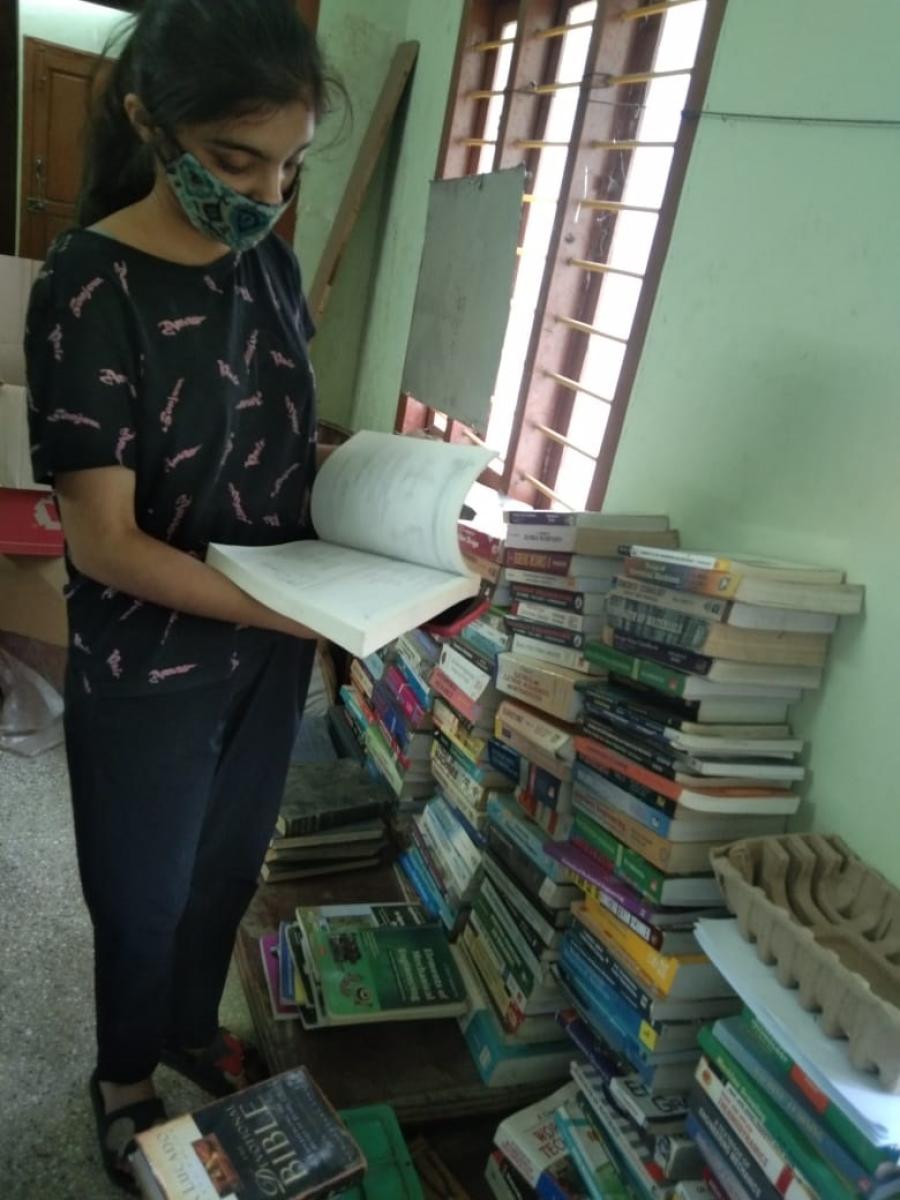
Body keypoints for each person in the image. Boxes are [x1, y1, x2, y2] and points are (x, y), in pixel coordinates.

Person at [24, 0, 339, 1189]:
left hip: (268, 643)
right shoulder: (88, 282)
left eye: (291, 165)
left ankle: (189, 1027)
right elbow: (102, 544)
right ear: (154, 122)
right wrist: (286, 612)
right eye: (235, 159)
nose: (263, 194)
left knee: (228, 866)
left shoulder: (272, 264)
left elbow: (279, 436)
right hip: (152, 657)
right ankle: (120, 1075)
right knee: (142, 887)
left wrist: (391, 506)